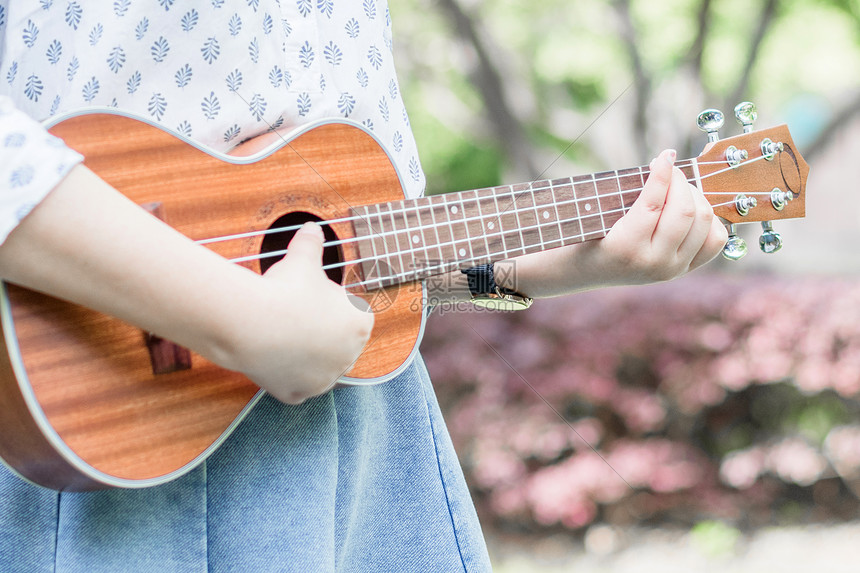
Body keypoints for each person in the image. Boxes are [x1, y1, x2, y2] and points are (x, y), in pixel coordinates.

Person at [0, 2, 727, 572]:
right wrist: (234, 319)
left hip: (373, 451)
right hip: (101, 427)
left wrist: (528, 266)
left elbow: (338, 247)